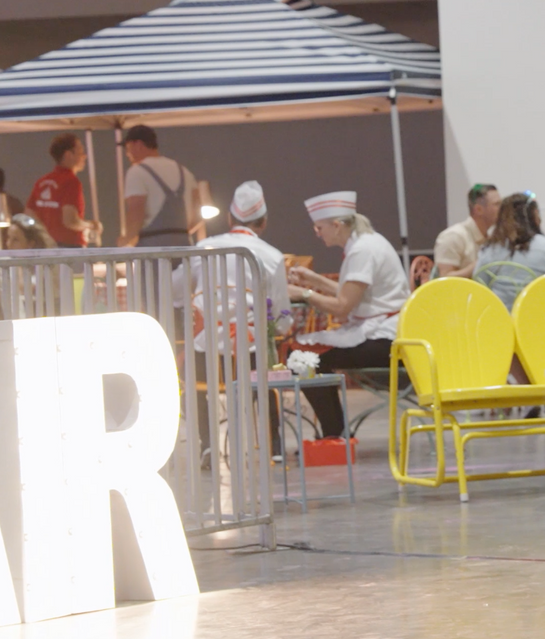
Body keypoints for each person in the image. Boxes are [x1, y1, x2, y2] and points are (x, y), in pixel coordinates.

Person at [178, 181, 296, 457]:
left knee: (195, 381)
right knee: (265, 373)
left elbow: (179, 291)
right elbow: (281, 315)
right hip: (250, 357)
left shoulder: (202, 248)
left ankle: (207, 443)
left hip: (206, 358)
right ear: (263, 222)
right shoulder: (271, 256)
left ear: (230, 219)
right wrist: (280, 330)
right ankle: (273, 443)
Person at [287, 192, 410, 439]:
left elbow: (343, 306)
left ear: (336, 225)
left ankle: (334, 434)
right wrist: (314, 280)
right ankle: (336, 431)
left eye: (319, 227)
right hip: (388, 329)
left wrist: (304, 293)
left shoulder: (362, 250)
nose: (317, 233)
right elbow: (353, 293)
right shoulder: (367, 242)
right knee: (306, 354)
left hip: (386, 339)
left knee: (301, 356)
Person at [471, 192, 545, 310]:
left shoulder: (489, 251)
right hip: (541, 317)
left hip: (501, 318)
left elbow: (479, 290)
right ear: (535, 216)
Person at [119, 125, 201, 247]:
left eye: (128, 148)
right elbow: (198, 216)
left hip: (152, 247)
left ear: (138, 144)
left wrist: (125, 241)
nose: (127, 154)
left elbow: (136, 211)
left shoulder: (136, 172)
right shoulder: (185, 172)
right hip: (184, 245)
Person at [29, 132, 100, 247]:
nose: (84, 156)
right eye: (81, 152)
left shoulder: (41, 182)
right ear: (68, 155)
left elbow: (29, 214)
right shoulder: (71, 182)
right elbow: (70, 221)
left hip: (45, 246)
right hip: (69, 246)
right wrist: (91, 225)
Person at [432, 183, 500, 278]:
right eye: (497, 204)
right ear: (479, 209)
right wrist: (481, 265)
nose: (502, 209)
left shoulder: (490, 238)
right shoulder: (453, 236)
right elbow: (445, 279)